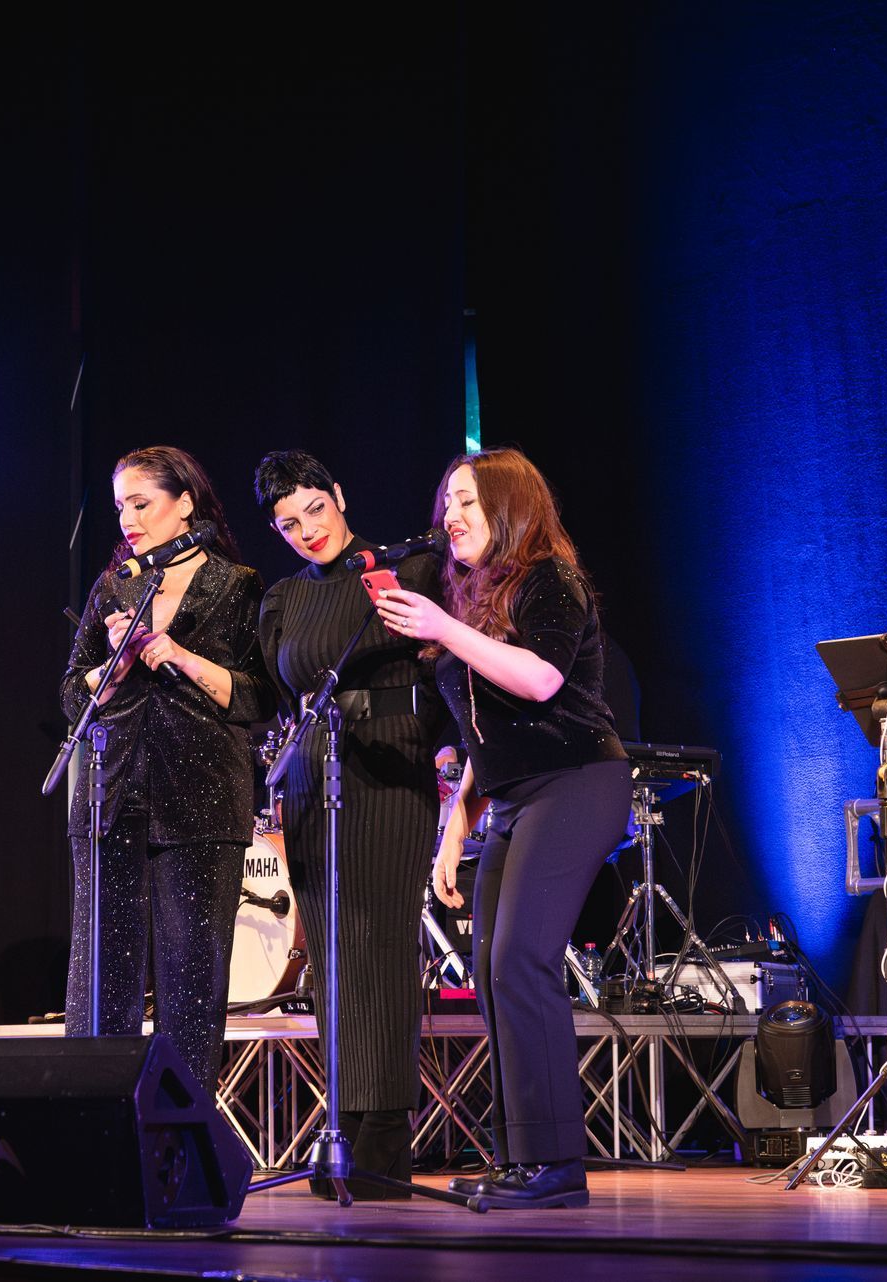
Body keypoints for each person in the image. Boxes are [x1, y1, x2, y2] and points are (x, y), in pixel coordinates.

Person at [376, 448, 630, 1209]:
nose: (449, 517)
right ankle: (522, 1159)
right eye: (447, 503)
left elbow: (540, 679)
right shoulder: (474, 599)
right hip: (515, 796)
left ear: (509, 507)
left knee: (522, 960)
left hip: (577, 781)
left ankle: (556, 1166)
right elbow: (488, 735)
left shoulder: (551, 580)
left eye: (467, 503)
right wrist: (457, 823)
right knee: (489, 969)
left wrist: (442, 630)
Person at [253, 449, 448, 1198]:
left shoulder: (408, 568)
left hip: (390, 770)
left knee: (382, 947)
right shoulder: (283, 599)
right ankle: (344, 1122)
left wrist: (453, 757)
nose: (308, 530)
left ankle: (385, 1136)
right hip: (312, 778)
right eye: (288, 524)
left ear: (339, 495)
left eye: (316, 510)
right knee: (332, 956)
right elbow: (276, 696)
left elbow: (446, 672)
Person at [59, 446, 274, 1091]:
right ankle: (98, 1123)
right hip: (112, 795)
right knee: (101, 981)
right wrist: (116, 665)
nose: (128, 519)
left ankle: (182, 1133)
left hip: (203, 800)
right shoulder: (115, 586)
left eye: (141, 503)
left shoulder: (237, 585)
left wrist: (179, 655)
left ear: (184, 505)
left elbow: (260, 697)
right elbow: (72, 694)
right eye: (119, 507)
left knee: (191, 986)